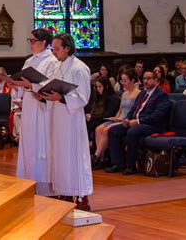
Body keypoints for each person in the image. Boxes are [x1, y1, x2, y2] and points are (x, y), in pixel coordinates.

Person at [41, 33, 93, 210]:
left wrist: (61, 98)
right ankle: (64, 192)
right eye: (52, 49)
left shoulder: (80, 68)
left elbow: (83, 97)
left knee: (75, 157)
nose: (53, 52)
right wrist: (43, 94)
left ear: (67, 48)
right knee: (60, 157)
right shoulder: (58, 67)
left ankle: (81, 197)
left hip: (72, 120)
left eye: (56, 49)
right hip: (58, 119)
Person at [9, 29, 58, 196]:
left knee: (40, 145)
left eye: (33, 40)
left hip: (42, 108)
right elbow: (24, 85)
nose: (30, 43)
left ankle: (44, 185)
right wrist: (16, 85)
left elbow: (52, 86)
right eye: (29, 40)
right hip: (30, 106)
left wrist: (32, 86)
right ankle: (28, 180)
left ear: (43, 42)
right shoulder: (29, 61)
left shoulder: (52, 61)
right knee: (28, 144)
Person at [105, 70, 171, 175]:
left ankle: (130, 166)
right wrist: (126, 119)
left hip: (152, 125)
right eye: (144, 78)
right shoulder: (142, 93)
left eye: (149, 78)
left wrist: (138, 121)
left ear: (156, 81)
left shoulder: (161, 95)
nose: (146, 81)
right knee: (113, 130)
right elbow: (133, 110)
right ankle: (118, 163)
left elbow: (158, 116)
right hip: (136, 122)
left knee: (133, 132)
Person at [92, 69, 139, 170]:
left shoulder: (138, 93)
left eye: (125, 80)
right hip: (120, 118)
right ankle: (102, 158)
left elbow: (134, 112)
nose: (123, 83)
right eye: (122, 80)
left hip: (127, 119)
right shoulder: (124, 94)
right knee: (98, 129)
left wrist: (120, 120)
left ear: (132, 80)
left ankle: (96, 157)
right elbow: (120, 110)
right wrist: (115, 118)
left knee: (105, 130)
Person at [86, 76, 120, 149]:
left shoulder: (113, 98)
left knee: (92, 124)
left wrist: (92, 117)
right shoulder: (99, 96)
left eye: (100, 87)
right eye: (97, 87)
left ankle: (97, 153)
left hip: (109, 121)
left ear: (106, 86)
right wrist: (90, 115)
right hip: (99, 119)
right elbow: (95, 111)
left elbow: (108, 115)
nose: (98, 89)